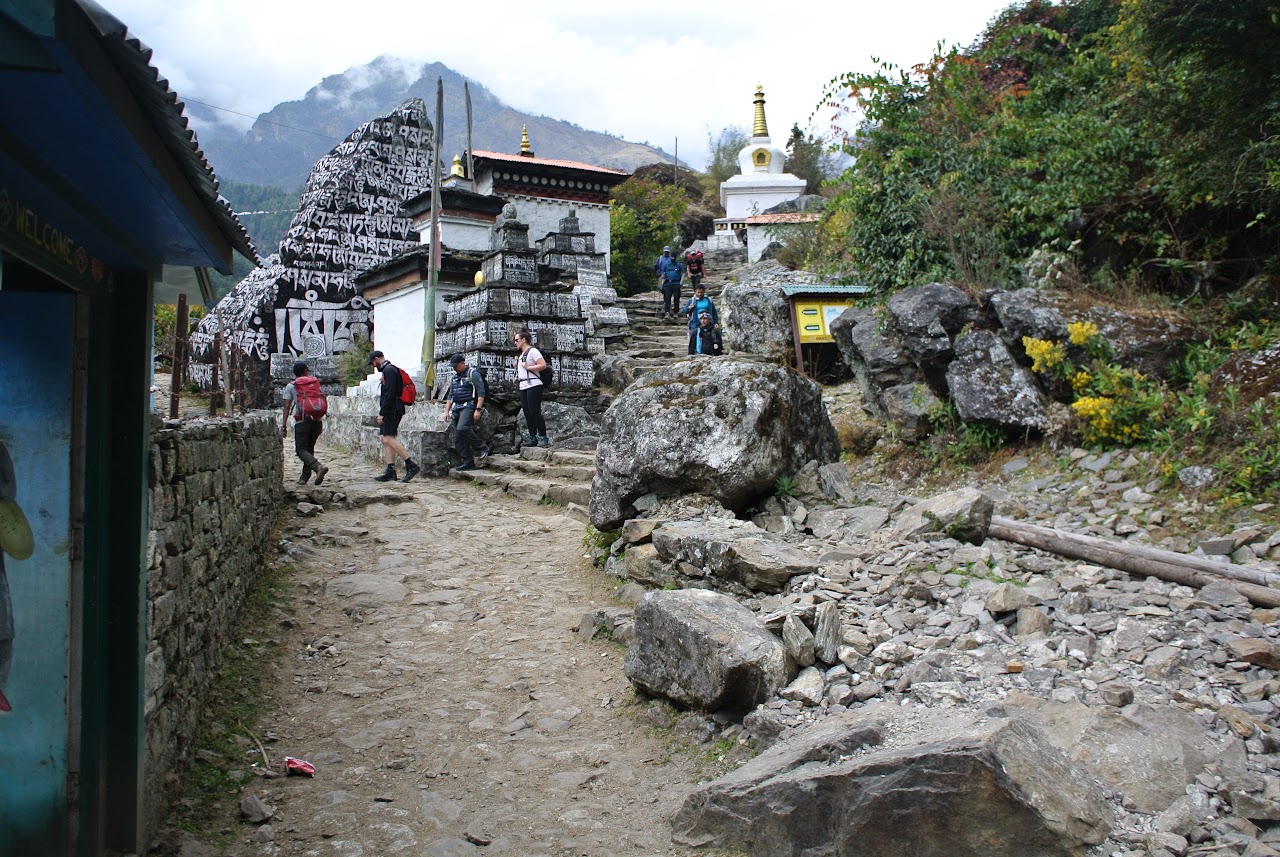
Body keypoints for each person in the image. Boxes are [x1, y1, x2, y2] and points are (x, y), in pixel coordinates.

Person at [368, 350, 420, 482]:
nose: (374, 365)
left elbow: (390, 394)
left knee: (388, 438)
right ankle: (390, 469)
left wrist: (382, 413)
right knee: (383, 438)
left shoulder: (390, 371)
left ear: (377, 359)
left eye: (373, 362)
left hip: (393, 409)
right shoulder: (388, 370)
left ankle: (410, 464)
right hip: (391, 408)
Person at [281, 360, 329, 485]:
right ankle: (305, 477)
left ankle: (318, 467)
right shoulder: (315, 383)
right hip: (317, 420)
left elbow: (286, 406)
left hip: (302, 421)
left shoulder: (291, 386)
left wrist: (283, 425)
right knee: (309, 448)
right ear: (305, 371)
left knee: (301, 449)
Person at [444, 352, 490, 471]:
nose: (454, 368)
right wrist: (446, 412)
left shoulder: (472, 374)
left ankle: (482, 447)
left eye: (456, 365)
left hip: (468, 406)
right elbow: (450, 396)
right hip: (457, 407)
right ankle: (468, 461)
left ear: (462, 363)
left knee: (463, 428)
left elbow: (481, 392)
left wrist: (478, 410)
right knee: (458, 439)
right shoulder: (455, 378)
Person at [513, 330, 550, 448]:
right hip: (523, 385)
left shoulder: (533, 351)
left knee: (534, 411)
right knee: (527, 412)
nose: (515, 342)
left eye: (517, 340)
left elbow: (542, 365)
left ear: (524, 340)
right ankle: (532, 436)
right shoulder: (521, 354)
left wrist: (528, 367)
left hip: (534, 384)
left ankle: (543, 436)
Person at [682, 282, 720, 354]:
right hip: (695, 323)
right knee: (694, 339)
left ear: (704, 292)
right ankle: (695, 352)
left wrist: (716, 322)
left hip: (708, 323)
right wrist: (690, 307)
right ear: (695, 291)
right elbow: (684, 311)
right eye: (698, 292)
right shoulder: (692, 300)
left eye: (701, 292)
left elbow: (714, 312)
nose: (699, 294)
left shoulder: (708, 300)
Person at [658, 251, 684, 319]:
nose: (672, 258)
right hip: (668, 283)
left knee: (676, 298)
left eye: (674, 257)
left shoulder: (679, 265)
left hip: (676, 283)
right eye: (671, 257)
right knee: (667, 298)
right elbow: (662, 274)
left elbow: (683, 274)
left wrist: (681, 283)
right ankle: (667, 312)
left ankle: (676, 312)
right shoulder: (667, 265)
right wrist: (660, 284)